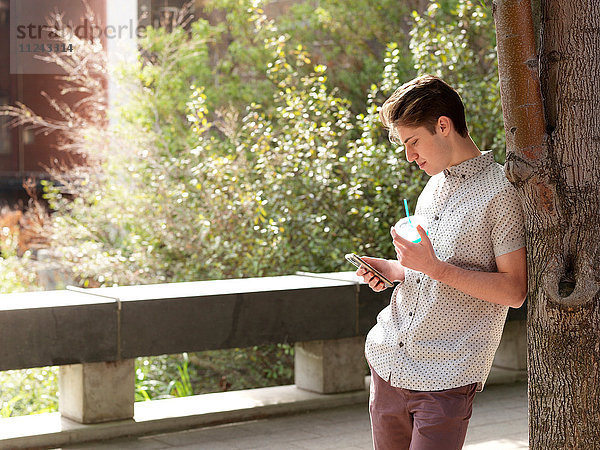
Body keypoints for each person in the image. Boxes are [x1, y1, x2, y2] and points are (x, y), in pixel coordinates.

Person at [356, 74, 527, 450]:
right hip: (388, 362)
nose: (409, 156)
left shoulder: (501, 193)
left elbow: (514, 291)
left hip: (445, 376)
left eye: (413, 142)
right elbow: (429, 268)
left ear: (444, 126)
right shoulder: (433, 185)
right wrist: (394, 269)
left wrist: (432, 267)